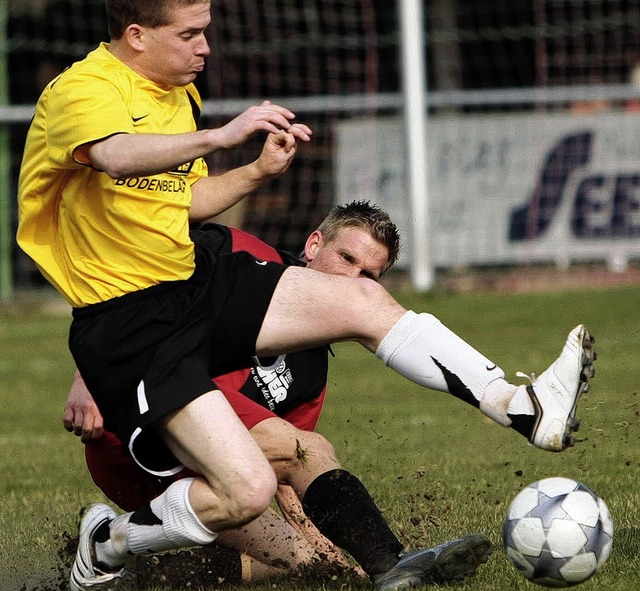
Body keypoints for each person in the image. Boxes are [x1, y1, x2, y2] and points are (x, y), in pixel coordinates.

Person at [16, 1, 596, 590]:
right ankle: (111, 543)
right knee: (246, 491)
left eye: (207, 32)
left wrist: (254, 174)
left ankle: (523, 409)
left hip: (193, 275)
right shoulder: (81, 91)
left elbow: (180, 205)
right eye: (189, 34)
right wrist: (223, 133)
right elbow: (115, 156)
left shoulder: (175, 92)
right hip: (129, 320)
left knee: (364, 304)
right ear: (136, 36)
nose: (205, 47)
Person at [64, 201, 493, 589]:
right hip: (134, 425)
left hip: (198, 479)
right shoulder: (243, 255)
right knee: (306, 449)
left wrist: (331, 555)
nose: (353, 281)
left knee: (303, 561)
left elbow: (291, 481)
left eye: (368, 276)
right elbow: (136, 279)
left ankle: (116, 565)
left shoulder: (311, 370)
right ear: (313, 244)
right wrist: (89, 374)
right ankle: (391, 560)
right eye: (346, 259)